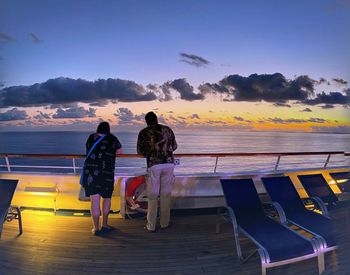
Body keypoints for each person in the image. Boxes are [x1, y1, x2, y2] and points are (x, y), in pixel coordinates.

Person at [137, 112, 177, 232]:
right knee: (165, 195)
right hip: (169, 164)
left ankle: (151, 226)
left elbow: (140, 151)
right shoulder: (168, 130)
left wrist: (151, 152)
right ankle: (164, 223)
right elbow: (174, 146)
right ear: (156, 119)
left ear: (146, 121)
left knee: (153, 196)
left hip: (154, 165)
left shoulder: (144, 132)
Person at [83, 122, 123, 235]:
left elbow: (88, 149)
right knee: (107, 199)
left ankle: (96, 228)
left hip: (91, 173)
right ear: (108, 129)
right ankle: (104, 225)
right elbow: (120, 151)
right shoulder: (112, 138)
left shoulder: (92, 137)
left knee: (94, 201)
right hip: (107, 173)